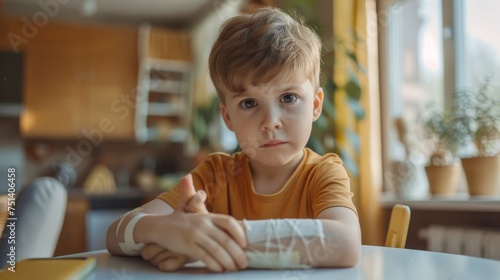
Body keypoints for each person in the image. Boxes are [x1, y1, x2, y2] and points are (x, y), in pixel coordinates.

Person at [106, 7, 361, 272]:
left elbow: (345, 243)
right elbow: (115, 234)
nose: (270, 121)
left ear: (316, 105)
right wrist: (170, 231)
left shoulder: (322, 173)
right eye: (249, 103)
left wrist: (209, 242)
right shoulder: (215, 175)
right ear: (228, 117)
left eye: (288, 98)